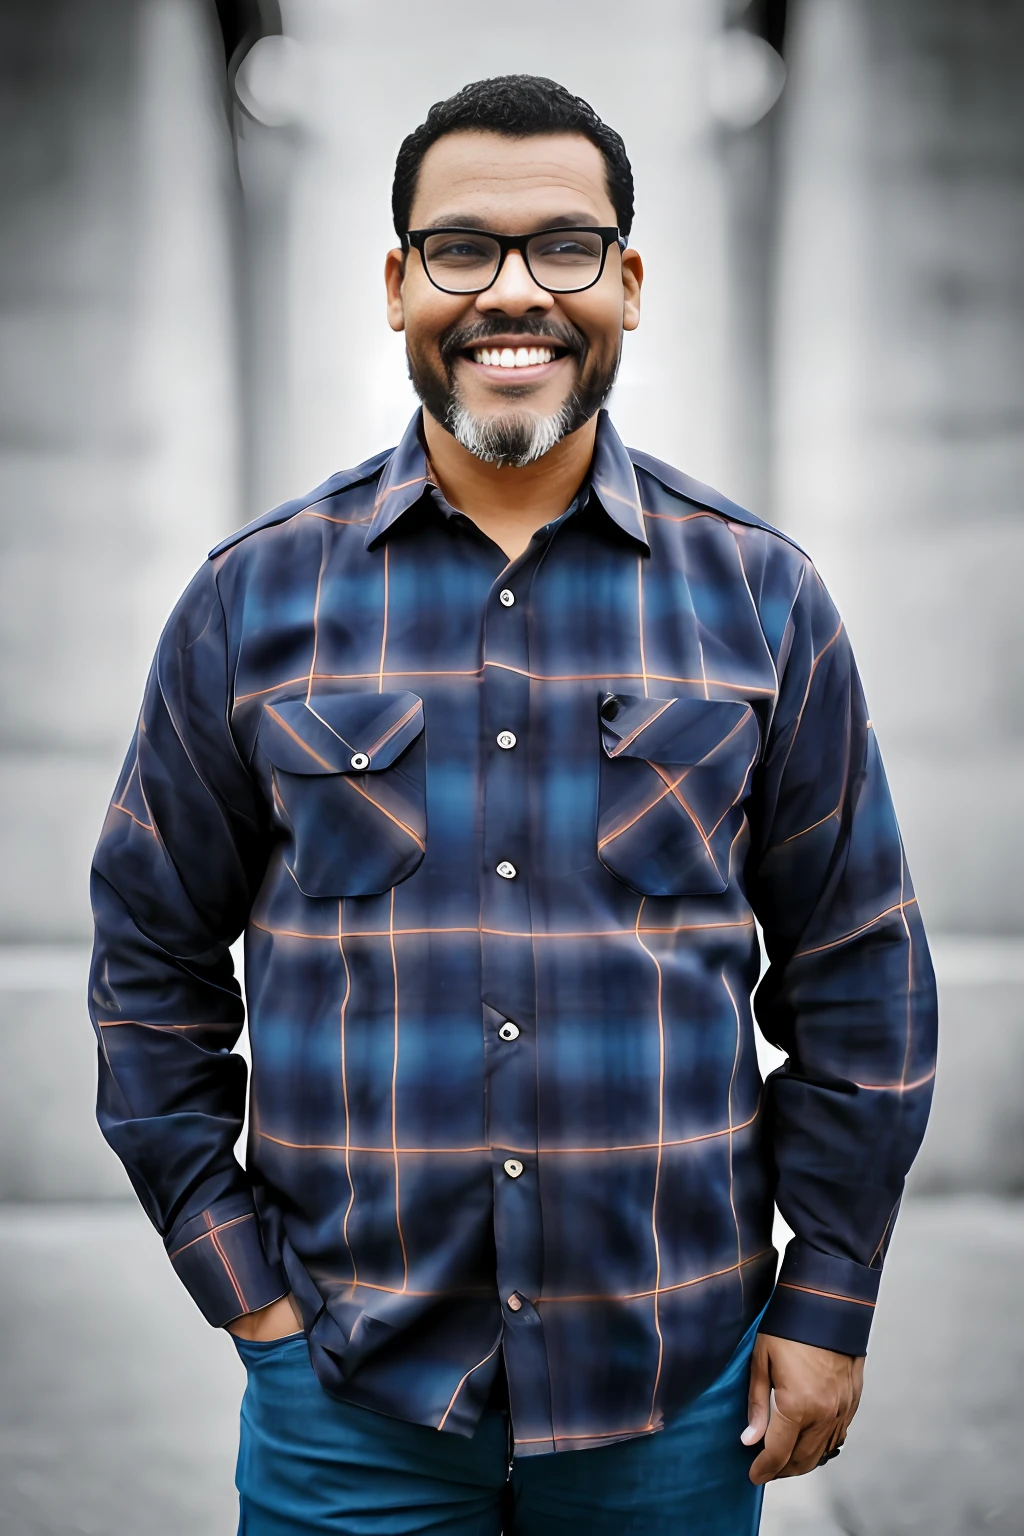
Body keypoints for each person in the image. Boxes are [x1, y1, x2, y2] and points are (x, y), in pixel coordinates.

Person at [89, 75, 937, 1536]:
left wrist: (832, 1293)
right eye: (462, 249)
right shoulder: (251, 602)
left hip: (669, 1400)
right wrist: (249, 1296)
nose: (513, 294)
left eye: (566, 248)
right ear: (398, 283)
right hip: (350, 1403)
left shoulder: (760, 598)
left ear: (628, 281)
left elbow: (860, 970)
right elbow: (149, 971)